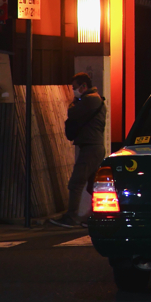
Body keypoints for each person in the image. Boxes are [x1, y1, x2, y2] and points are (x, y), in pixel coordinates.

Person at [50, 73, 108, 228]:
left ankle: (71, 217)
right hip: (94, 147)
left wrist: (73, 102)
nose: (74, 91)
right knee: (91, 185)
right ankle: (94, 217)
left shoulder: (89, 100)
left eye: (75, 88)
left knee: (76, 183)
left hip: (90, 148)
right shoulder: (96, 99)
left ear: (84, 86)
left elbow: (72, 113)